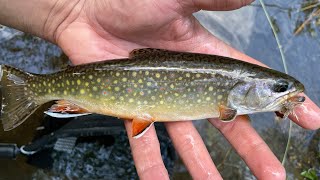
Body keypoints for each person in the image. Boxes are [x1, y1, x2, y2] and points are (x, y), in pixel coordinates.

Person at [0, 0, 319, 179]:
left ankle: (33, 88)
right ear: (240, 87)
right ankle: (31, 88)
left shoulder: (231, 101)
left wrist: (67, 12)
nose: (286, 95)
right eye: (280, 88)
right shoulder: (227, 101)